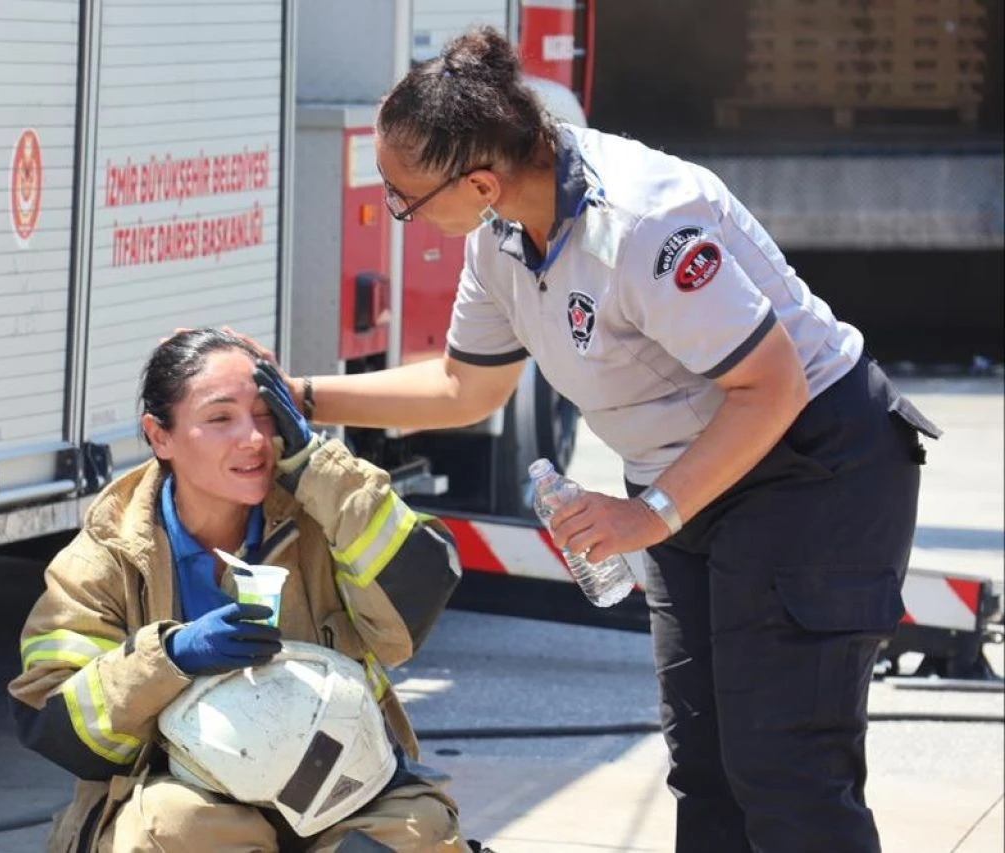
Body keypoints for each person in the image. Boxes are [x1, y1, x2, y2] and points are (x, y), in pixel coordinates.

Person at [245, 26, 943, 853]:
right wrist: (304, 393)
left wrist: (648, 513)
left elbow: (773, 386)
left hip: (813, 466)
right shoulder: (500, 235)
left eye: (407, 197)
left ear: (478, 179)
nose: (400, 214)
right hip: (696, 479)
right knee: (706, 766)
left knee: (786, 771)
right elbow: (465, 387)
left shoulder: (643, 222)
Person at [7, 329, 471, 853]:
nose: (252, 439)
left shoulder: (324, 513)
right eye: (221, 418)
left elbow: (413, 603)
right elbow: (56, 724)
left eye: (264, 414)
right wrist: (169, 658)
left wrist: (320, 466)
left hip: (339, 783)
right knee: (164, 830)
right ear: (160, 437)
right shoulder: (102, 559)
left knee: (423, 835)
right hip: (189, 791)